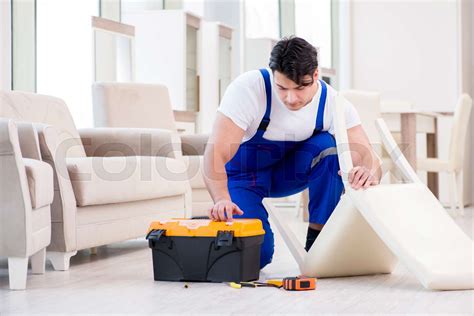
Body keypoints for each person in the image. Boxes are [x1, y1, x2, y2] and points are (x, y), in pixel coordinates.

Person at [203, 37, 382, 269]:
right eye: (282, 88)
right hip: (244, 178)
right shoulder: (248, 89)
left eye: (300, 88)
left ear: (316, 75)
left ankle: (318, 244)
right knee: (254, 256)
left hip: (287, 174)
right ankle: (209, 228)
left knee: (329, 147)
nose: (291, 98)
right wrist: (221, 199)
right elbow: (214, 155)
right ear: (273, 74)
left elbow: (369, 156)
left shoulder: (333, 102)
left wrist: (368, 172)